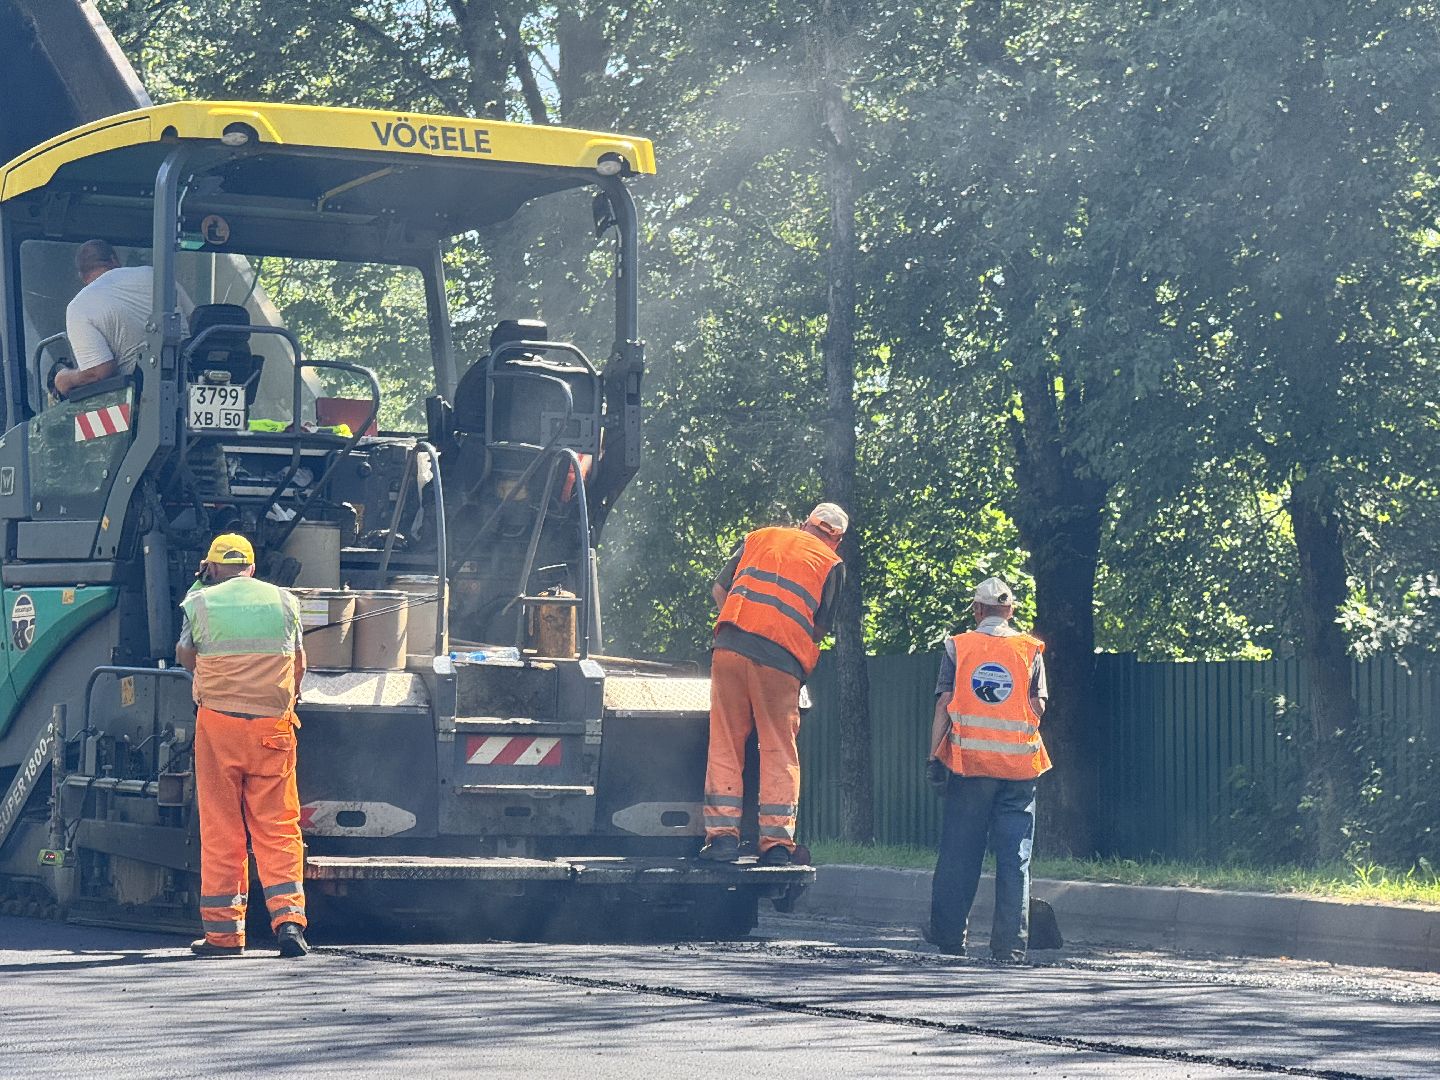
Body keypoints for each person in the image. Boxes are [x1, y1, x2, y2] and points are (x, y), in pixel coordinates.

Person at [175, 533, 310, 958]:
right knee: (279, 827)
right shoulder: (286, 602)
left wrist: (200, 585)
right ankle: (289, 923)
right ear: (251, 567)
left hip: (219, 728)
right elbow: (300, 663)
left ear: (211, 568)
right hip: (274, 729)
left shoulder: (200, 602)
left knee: (223, 829)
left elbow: (184, 654)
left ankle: (225, 936)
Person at [700, 502, 848, 866]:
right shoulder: (831, 564)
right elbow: (817, 628)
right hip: (780, 663)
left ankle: (721, 840)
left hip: (730, 648)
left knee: (725, 741)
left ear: (804, 523)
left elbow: (720, 591)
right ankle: (777, 845)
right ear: (837, 541)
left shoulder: (760, 537)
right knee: (778, 749)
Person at [925, 576, 1049, 962]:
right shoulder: (1030, 650)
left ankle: (949, 938)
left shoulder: (959, 647)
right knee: (1015, 857)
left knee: (961, 853)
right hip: (1019, 769)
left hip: (971, 767)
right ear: (1010, 611)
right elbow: (1039, 706)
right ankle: (1010, 946)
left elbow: (945, 703)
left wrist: (933, 756)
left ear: (977, 610)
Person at [55, 239, 168, 397]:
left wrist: (65, 379)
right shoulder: (155, 276)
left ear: (81, 276)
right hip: (191, 374)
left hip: (139, 399)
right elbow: (192, 321)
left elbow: (98, 372)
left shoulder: (79, 306)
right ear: (115, 260)